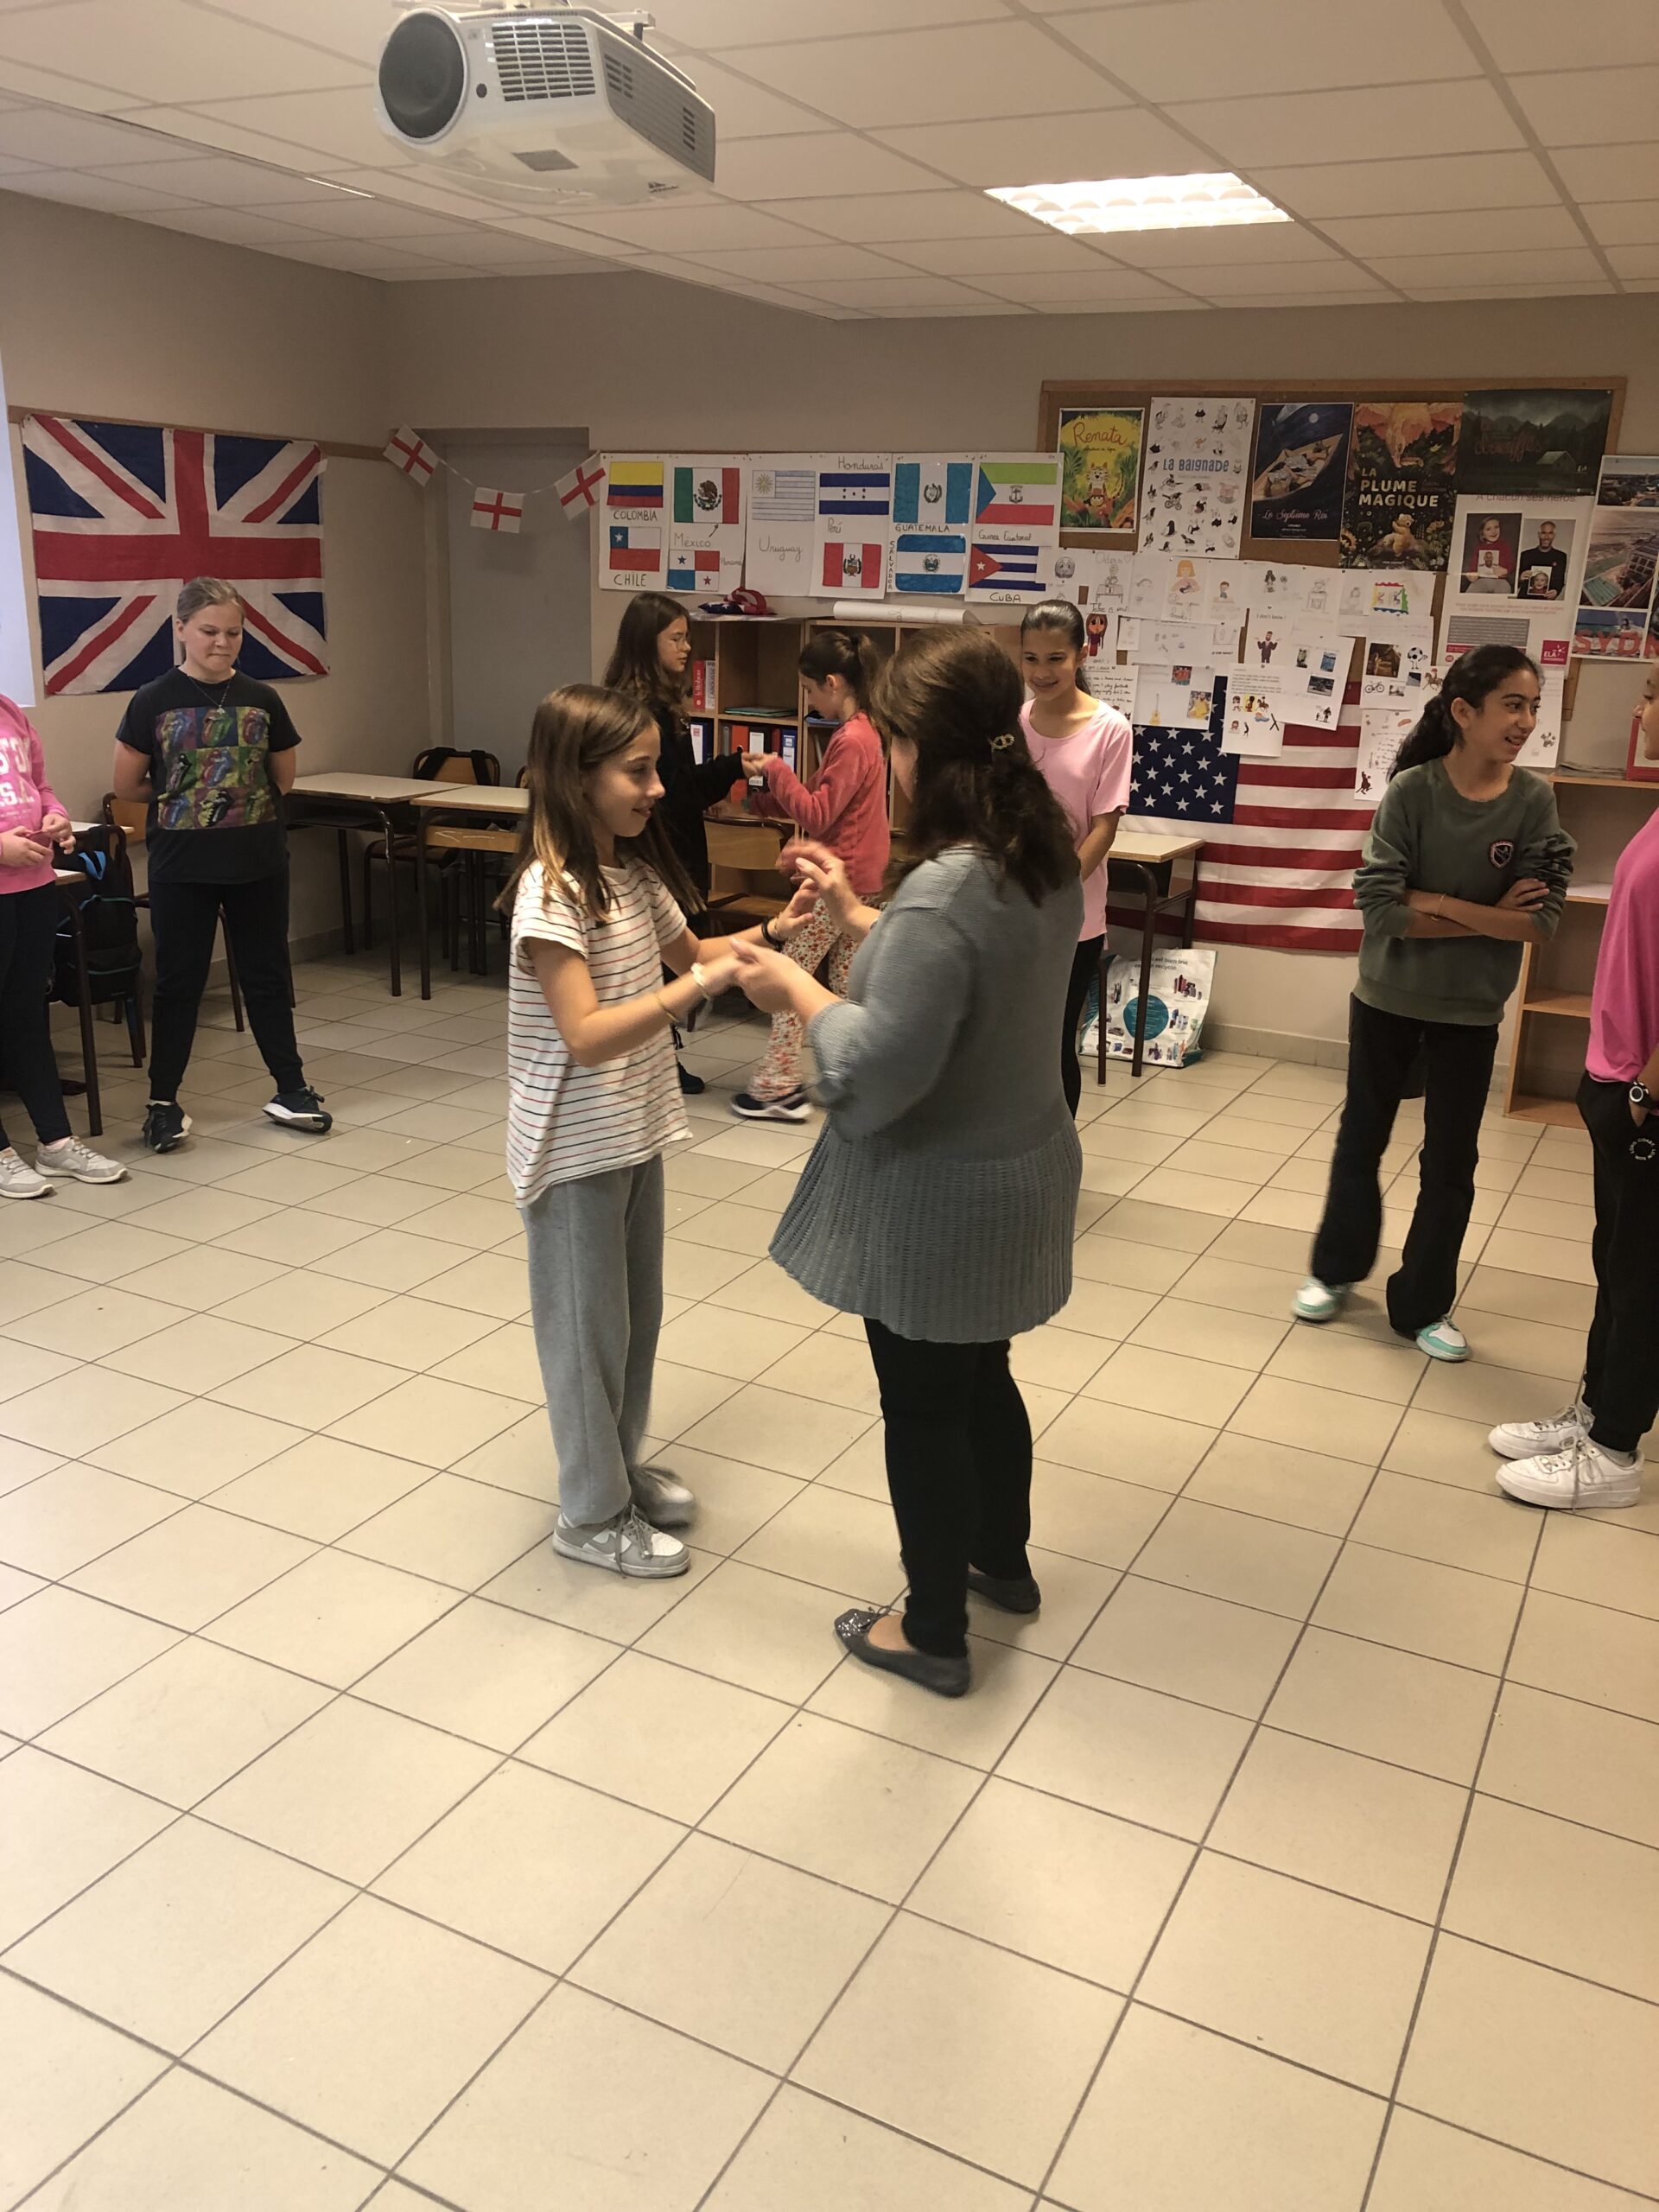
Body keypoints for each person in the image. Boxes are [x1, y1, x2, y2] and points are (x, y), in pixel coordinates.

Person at [731, 630, 1083, 1697]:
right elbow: (961, 975)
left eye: (893, 742)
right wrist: (855, 915)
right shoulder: (1038, 851)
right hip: (1019, 1164)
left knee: (925, 1407)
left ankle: (931, 1631)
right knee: (984, 1376)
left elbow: (877, 1070)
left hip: (945, 1195)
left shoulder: (944, 893)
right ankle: (999, 1562)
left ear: (924, 750)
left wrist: (796, 990)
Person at [504, 683, 809, 1579]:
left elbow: (697, 954)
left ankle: (616, 1468)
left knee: (632, 1323)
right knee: (585, 1335)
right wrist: (693, 992)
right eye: (638, 772)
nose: (659, 787)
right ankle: (590, 1514)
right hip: (573, 1149)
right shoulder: (551, 894)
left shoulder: (632, 877)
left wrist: (775, 930)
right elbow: (587, 1032)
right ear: (578, 778)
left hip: (633, 1131)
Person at [1295, 645, 1574, 1358]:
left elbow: (1539, 923)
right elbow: (1382, 911)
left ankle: (1422, 1304)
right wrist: (1486, 914)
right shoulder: (1412, 792)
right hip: (1386, 998)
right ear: (1463, 712)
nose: (1526, 721)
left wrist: (1438, 902)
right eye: (1512, 704)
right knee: (1362, 1139)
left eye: (1533, 706)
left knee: (1451, 1163)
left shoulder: (1534, 801)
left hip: (1470, 1011)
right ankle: (1334, 1270)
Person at [1489, 665, 1659, 1509]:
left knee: (1644, 1276)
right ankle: (1594, 1412)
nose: (1641, 708)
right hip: (1615, 1071)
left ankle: (1616, 1453)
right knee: (1616, 1262)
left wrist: (1648, 1092)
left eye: (1654, 694)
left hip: (1646, 1090)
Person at [111, 578, 329, 1152]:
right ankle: (163, 1102)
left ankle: (291, 1088)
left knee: (267, 976)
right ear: (181, 629)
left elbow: (282, 778)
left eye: (233, 633)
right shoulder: (152, 699)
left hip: (258, 861)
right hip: (182, 866)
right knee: (178, 984)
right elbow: (128, 785)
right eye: (209, 631)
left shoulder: (263, 698)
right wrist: (187, 798)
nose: (222, 643)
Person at [731, 626, 890, 1122]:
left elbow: (818, 815)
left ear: (832, 683)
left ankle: (778, 1086)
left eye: (809, 689)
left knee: (790, 978)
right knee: (845, 985)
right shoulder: (861, 732)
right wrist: (759, 802)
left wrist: (777, 770)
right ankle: (850, 1078)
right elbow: (820, 797)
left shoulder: (853, 738)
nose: (808, 700)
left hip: (837, 882)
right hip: (862, 878)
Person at [601, 591, 746, 1096]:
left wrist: (730, 769)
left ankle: (659, 1054)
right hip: (657, 845)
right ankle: (655, 1057)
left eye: (688, 638)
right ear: (647, 643)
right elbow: (675, 790)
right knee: (658, 958)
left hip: (674, 841)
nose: (686, 648)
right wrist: (731, 768)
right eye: (676, 639)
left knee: (671, 952)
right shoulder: (642, 710)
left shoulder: (661, 701)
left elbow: (680, 786)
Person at [0, 695, 125, 1196]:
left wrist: (56, 816)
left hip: (32, 885)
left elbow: (39, 786)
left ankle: (54, 1142)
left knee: (27, 1015)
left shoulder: (9, 711)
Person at [1018, 600, 1132, 1116]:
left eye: (1055, 659)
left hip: (1073, 912)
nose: (1042, 672)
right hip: (1012, 904)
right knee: (1012, 1042)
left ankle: (1058, 1153)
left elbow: (1104, 826)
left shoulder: (1110, 728)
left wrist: (1060, 888)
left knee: (1055, 1040)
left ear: (1082, 655)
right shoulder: (1014, 723)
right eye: (1031, 659)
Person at [1461, 514, 1515, 594]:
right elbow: (1473, 567)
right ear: (1482, 534)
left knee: (1504, 589)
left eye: (1496, 527)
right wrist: (1471, 575)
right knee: (1472, 590)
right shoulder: (1479, 548)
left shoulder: (1504, 546)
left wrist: (1506, 570)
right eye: (1488, 529)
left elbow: (1511, 564)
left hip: (1500, 580)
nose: (1493, 531)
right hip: (1482, 580)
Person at [1516, 518, 1567, 601]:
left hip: (1546, 601)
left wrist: (1556, 591)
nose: (1546, 537)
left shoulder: (1561, 557)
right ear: (1539, 534)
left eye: (1550, 533)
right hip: (1525, 600)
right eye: (1543, 533)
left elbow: (1560, 581)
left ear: (1554, 535)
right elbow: (1515, 582)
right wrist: (1520, 578)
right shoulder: (1525, 555)